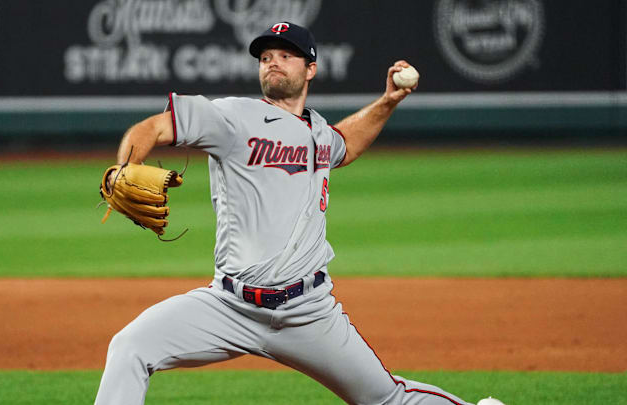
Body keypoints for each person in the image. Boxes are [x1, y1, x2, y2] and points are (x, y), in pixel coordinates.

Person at [94, 22, 504, 405]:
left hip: (308, 312)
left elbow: (346, 143)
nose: (272, 61)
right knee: (130, 347)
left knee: (385, 397)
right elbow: (155, 127)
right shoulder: (233, 116)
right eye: (265, 56)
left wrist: (387, 102)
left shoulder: (320, 133)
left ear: (311, 69)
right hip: (229, 306)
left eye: (285, 55)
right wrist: (124, 167)